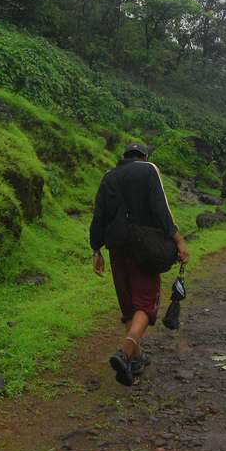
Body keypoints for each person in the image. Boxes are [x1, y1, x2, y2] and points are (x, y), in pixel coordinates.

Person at [89, 143, 189, 386]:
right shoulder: (148, 169)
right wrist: (178, 240)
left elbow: (99, 214)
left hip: (116, 247)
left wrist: (96, 249)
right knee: (145, 302)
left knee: (129, 305)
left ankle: (136, 359)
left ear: (124, 157)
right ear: (144, 156)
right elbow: (161, 208)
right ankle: (125, 352)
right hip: (143, 247)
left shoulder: (109, 176)